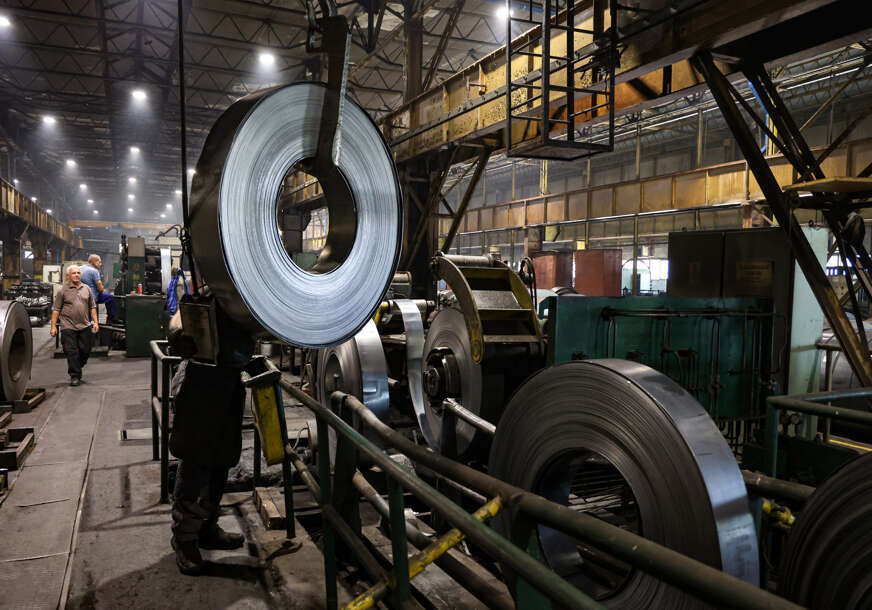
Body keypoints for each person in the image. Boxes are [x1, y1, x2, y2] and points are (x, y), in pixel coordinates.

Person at [167, 299, 256, 575]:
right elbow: (178, 317)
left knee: (221, 460)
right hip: (200, 383)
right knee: (196, 461)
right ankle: (184, 538)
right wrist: (177, 334)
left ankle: (206, 527)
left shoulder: (246, 297)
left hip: (229, 382)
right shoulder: (211, 291)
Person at [50, 265, 99, 386]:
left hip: (85, 325)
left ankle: (77, 366)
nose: (76, 275)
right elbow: (56, 310)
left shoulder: (87, 288)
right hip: (68, 326)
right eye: (74, 273)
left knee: (85, 350)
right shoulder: (63, 291)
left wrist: (95, 322)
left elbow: (92, 307)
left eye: (78, 273)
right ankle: (75, 376)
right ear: (68, 276)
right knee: (71, 351)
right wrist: (53, 326)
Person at [80, 254, 118, 324]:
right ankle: (111, 320)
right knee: (110, 298)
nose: (101, 264)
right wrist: (102, 288)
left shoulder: (80, 268)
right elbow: (100, 288)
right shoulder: (94, 271)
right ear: (94, 262)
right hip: (92, 298)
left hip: (80, 296)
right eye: (99, 262)